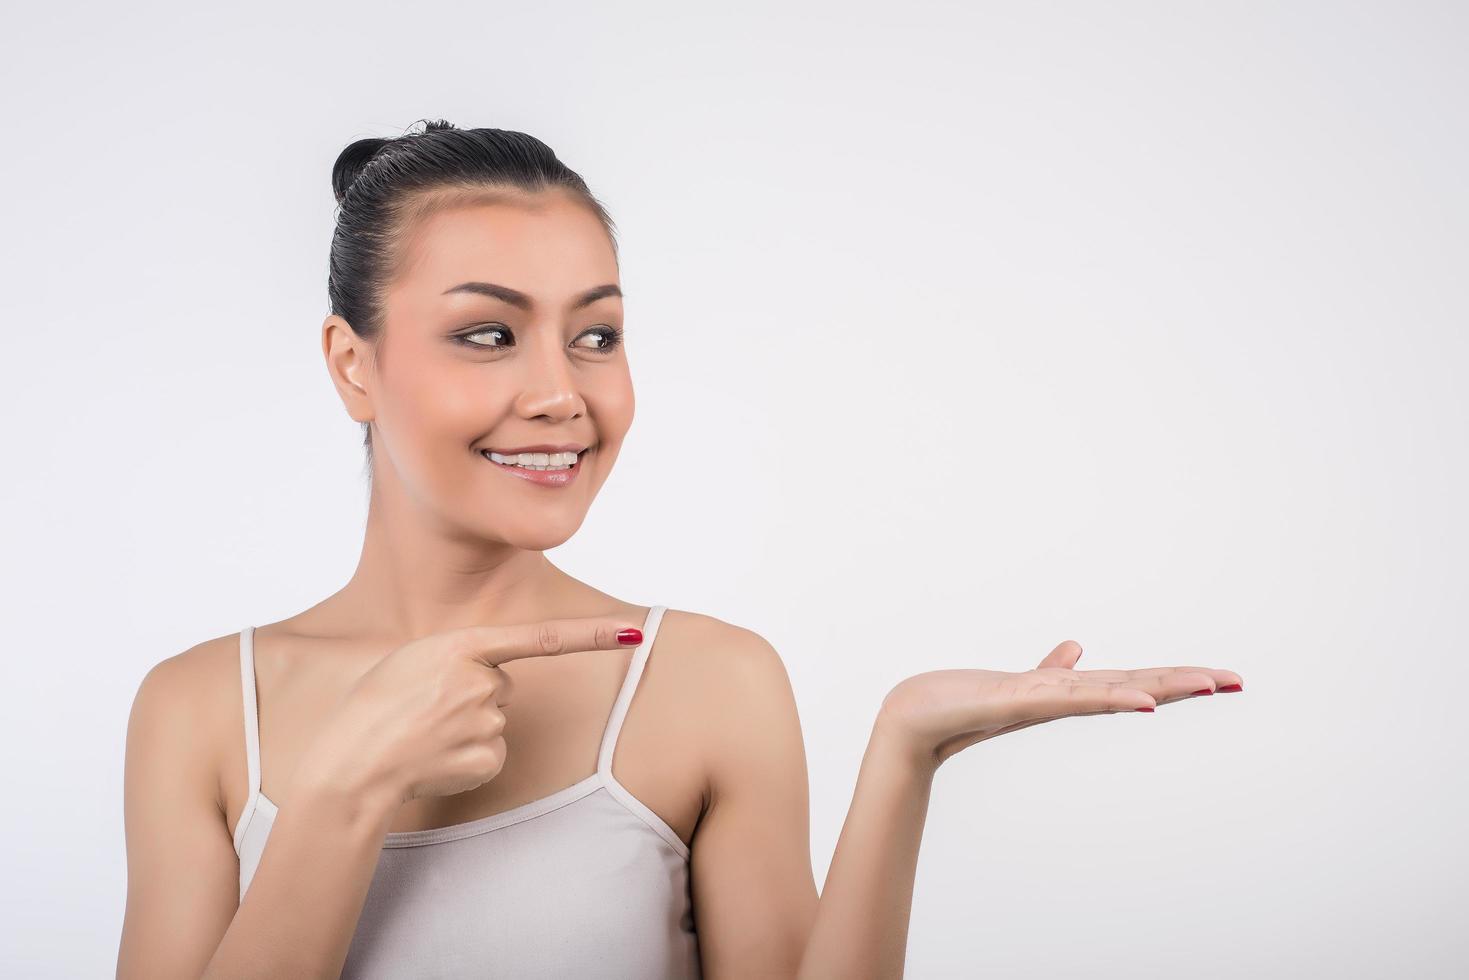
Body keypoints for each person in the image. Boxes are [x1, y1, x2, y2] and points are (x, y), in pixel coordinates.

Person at [115, 119, 1244, 980]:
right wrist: (343, 790)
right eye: (488, 334)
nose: (560, 391)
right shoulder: (202, 708)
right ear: (353, 362)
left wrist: (903, 754)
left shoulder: (709, 683)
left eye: (595, 333)